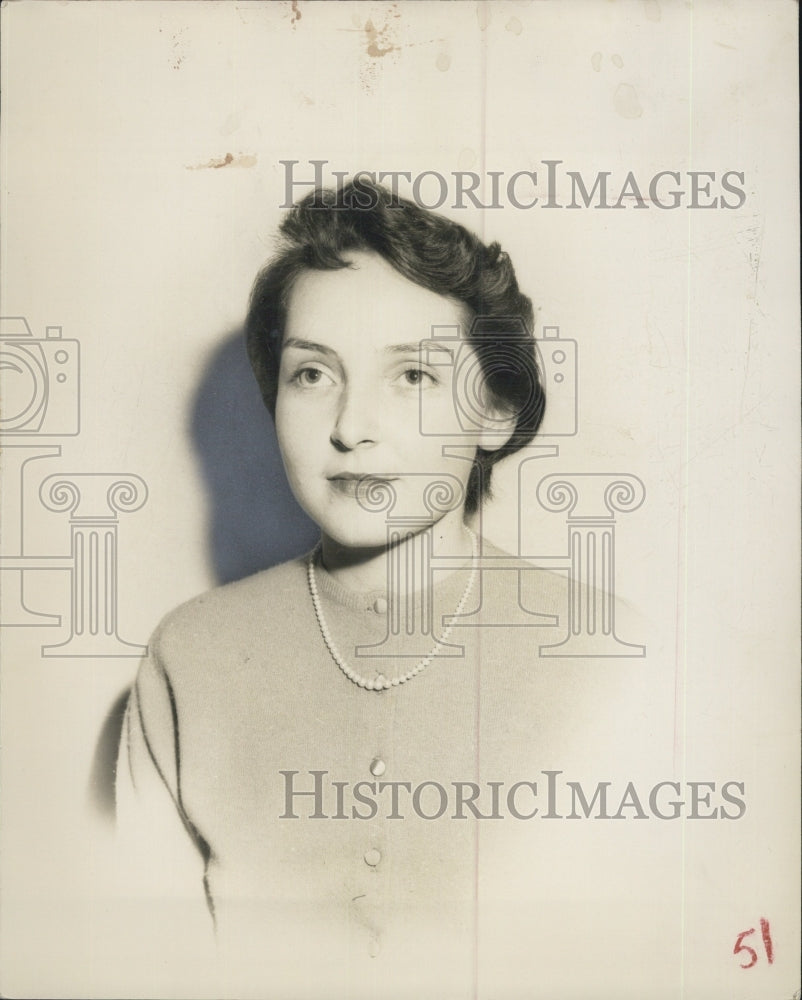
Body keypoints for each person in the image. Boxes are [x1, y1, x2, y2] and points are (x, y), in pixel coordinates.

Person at [115, 181, 662, 998]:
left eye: (411, 375)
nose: (349, 424)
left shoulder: (612, 657)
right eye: (311, 374)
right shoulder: (188, 657)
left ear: (497, 411)